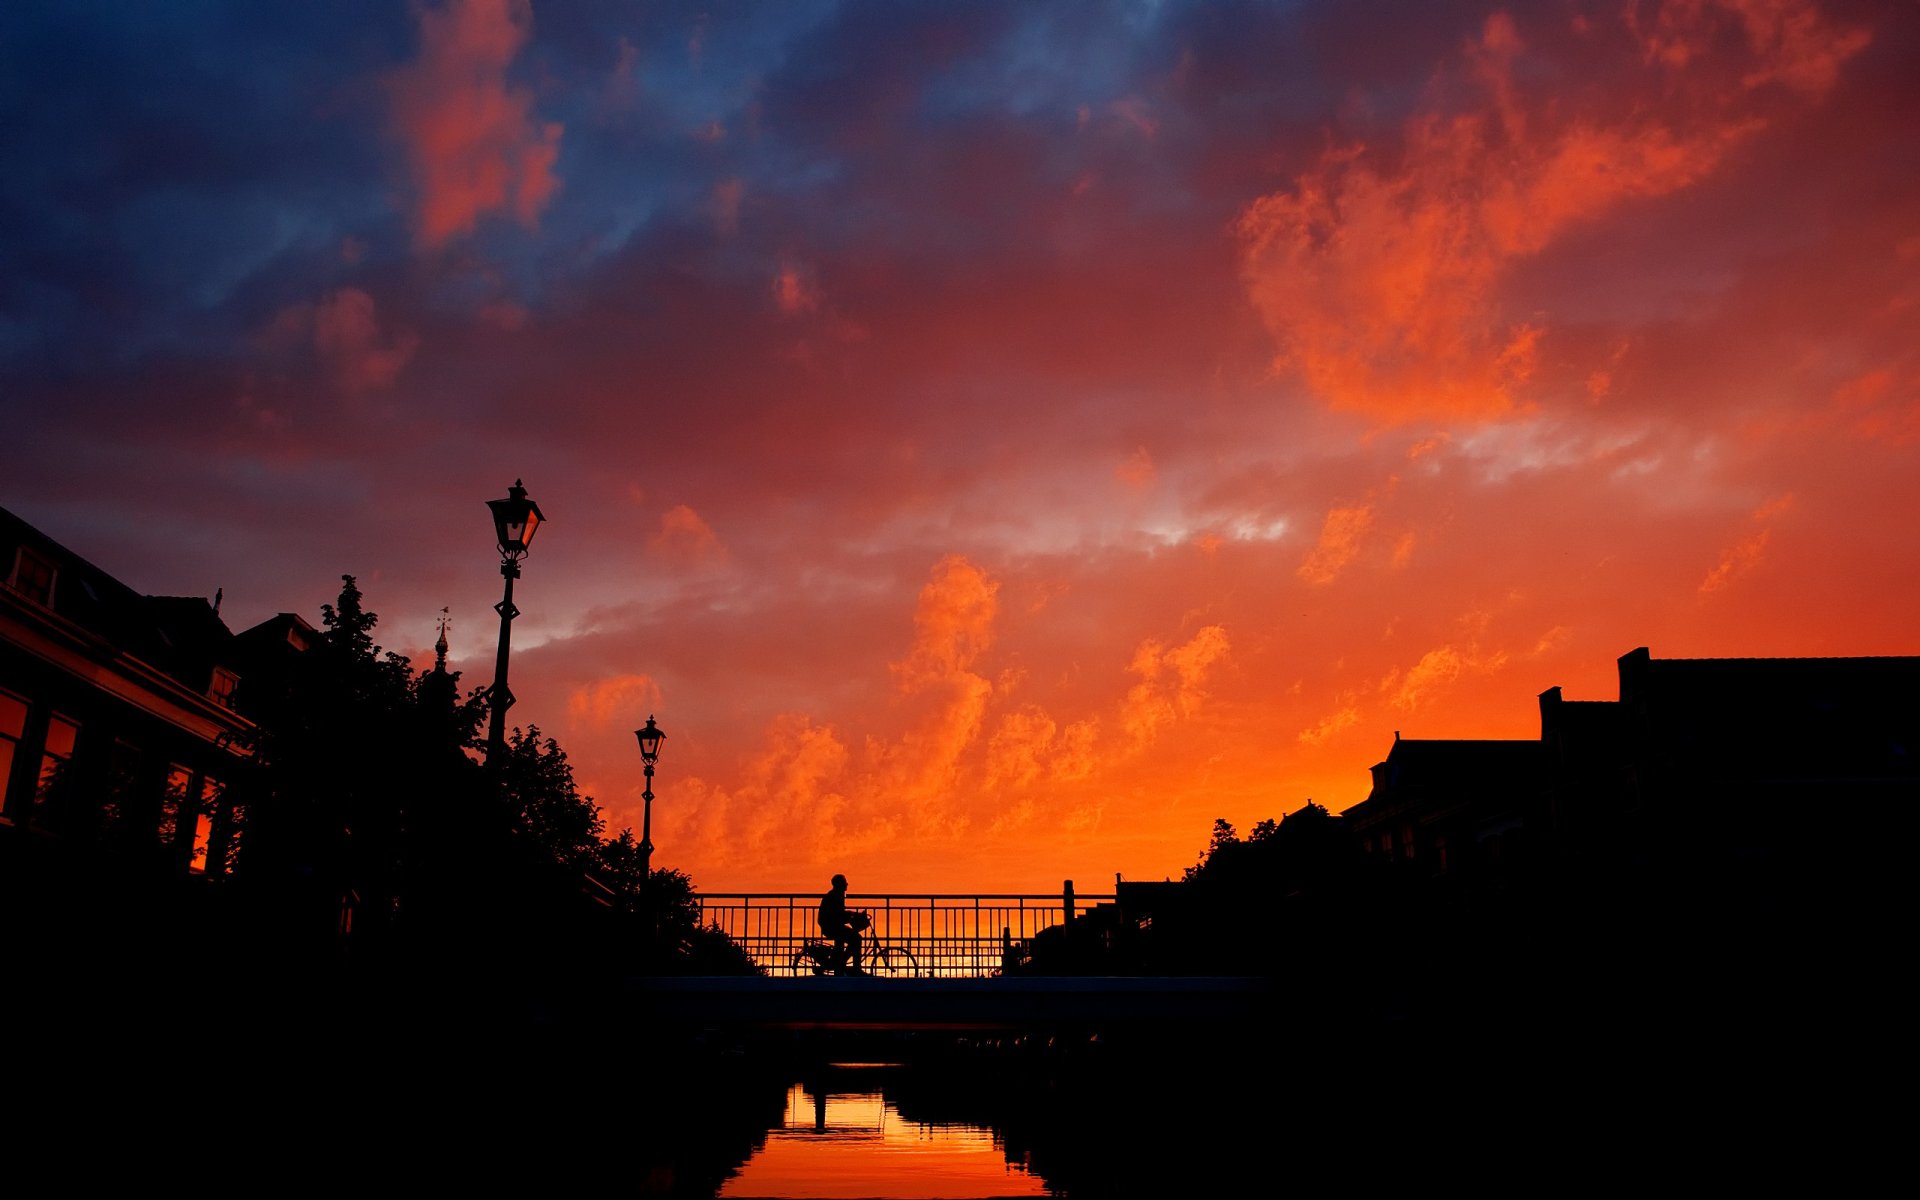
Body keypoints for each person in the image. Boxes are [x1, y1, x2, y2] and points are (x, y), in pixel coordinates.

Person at [818, 873, 864, 974]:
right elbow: (838, 914)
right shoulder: (836, 896)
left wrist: (851, 915)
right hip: (832, 927)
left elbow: (839, 913)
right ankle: (855, 968)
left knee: (848, 939)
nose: (847, 884)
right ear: (840, 884)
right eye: (844, 882)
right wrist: (851, 916)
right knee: (857, 939)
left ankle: (840, 964)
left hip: (831, 926)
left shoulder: (835, 894)